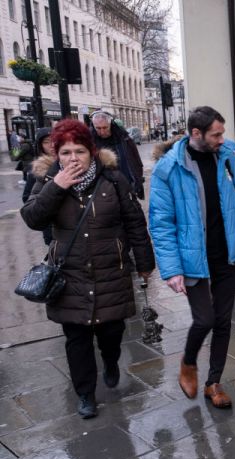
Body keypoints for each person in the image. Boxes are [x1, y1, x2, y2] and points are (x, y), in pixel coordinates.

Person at [20, 119, 155, 419]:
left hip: (111, 270)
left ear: (91, 151)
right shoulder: (48, 180)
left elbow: (135, 222)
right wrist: (56, 187)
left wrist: (145, 263)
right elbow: (32, 218)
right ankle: (85, 394)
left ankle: (110, 361)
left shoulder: (113, 180)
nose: (72, 158)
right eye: (65, 152)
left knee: (112, 331)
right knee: (77, 338)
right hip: (70, 276)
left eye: (79, 151)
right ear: (57, 154)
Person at [149, 106, 235, 408]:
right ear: (196, 133)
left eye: (222, 133)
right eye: (216, 134)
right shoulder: (169, 168)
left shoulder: (227, 156)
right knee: (205, 319)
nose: (221, 139)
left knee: (224, 321)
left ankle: (214, 383)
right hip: (192, 256)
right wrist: (172, 270)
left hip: (226, 251)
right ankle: (188, 362)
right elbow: (161, 223)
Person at [90, 111, 146, 199]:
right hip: (102, 190)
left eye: (105, 127)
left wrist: (138, 179)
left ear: (111, 124)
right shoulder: (90, 142)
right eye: (98, 128)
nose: (102, 131)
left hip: (127, 186)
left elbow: (136, 160)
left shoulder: (124, 138)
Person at [22, 128, 55, 244]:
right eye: (46, 142)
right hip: (52, 228)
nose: (52, 145)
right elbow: (27, 198)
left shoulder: (71, 161)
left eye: (54, 140)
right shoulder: (37, 169)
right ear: (40, 146)